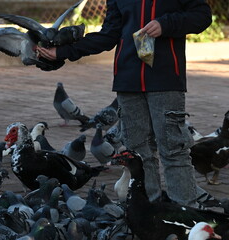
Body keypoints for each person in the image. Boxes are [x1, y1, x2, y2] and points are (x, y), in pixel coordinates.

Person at [37, 0, 218, 208]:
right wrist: (62, 52)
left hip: (166, 81)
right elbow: (109, 35)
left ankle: (185, 215)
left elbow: (202, 17)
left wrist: (165, 24)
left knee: (174, 150)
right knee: (138, 154)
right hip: (128, 83)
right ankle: (149, 214)